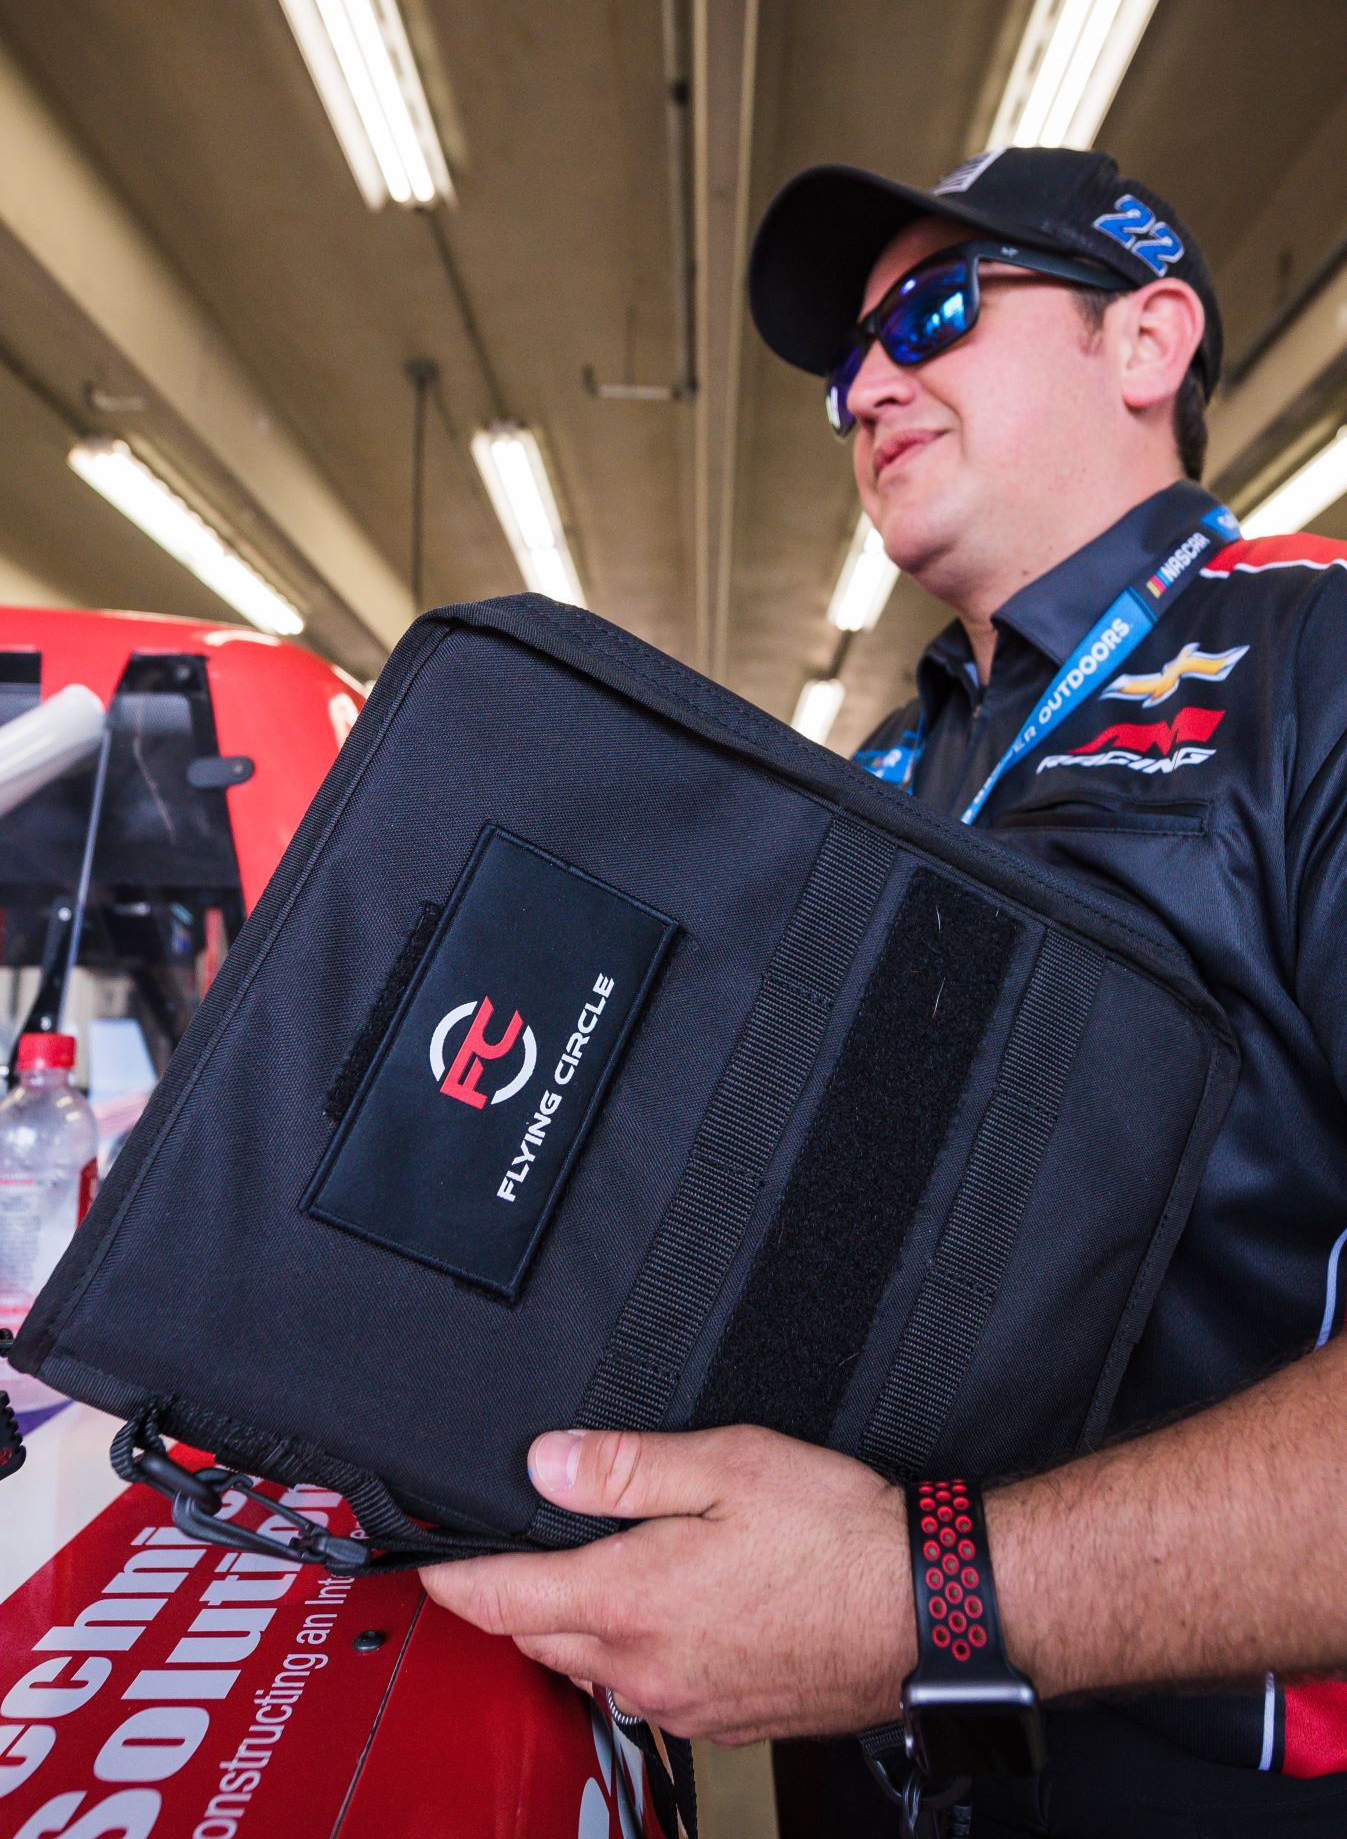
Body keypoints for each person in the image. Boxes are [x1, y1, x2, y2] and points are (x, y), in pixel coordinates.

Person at [422, 148, 1347, 1837]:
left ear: (1144, 342)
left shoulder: (1317, 672)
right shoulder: (889, 766)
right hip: (868, 1759)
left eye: (929, 312)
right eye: (845, 361)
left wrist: (929, 1597)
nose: (864, 386)